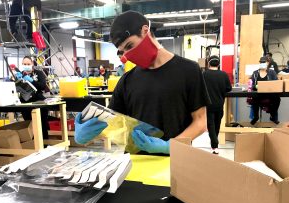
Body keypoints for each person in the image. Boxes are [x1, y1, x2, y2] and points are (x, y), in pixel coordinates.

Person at [74, 11, 209, 155]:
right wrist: (88, 133)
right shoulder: (126, 81)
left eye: (130, 45)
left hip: (176, 160)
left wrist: (170, 146)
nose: (128, 54)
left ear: (145, 31)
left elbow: (200, 122)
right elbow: (114, 125)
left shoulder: (188, 70)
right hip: (137, 164)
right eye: (124, 51)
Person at [203, 56, 232, 154]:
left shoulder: (204, 74)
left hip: (208, 105)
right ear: (218, 64)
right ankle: (215, 145)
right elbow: (229, 88)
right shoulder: (223, 75)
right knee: (217, 124)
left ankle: (214, 145)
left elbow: (200, 88)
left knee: (210, 125)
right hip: (220, 104)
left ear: (208, 64)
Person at [16, 56, 49, 139]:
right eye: (24, 64)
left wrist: (32, 80)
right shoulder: (20, 74)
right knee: (28, 124)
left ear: (32, 64)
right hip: (25, 102)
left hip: (38, 101)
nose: (26, 65)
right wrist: (16, 80)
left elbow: (42, 86)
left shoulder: (39, 73)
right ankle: (32, 144)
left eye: (28, 64)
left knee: (41, 124)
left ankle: (44, 143)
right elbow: (14, 88)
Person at [250, 56, 280, 125]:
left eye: (264, 62)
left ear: (268, 63)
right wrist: (255, 86)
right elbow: (251, 84)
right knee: (254, 97)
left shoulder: (272, 72)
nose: (262, 63)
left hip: (269, 94)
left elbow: (276, 83)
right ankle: (256, 117)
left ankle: (273, 116)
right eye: (261, 62)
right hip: (258, 93)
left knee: (277, 98)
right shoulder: (255, 73)